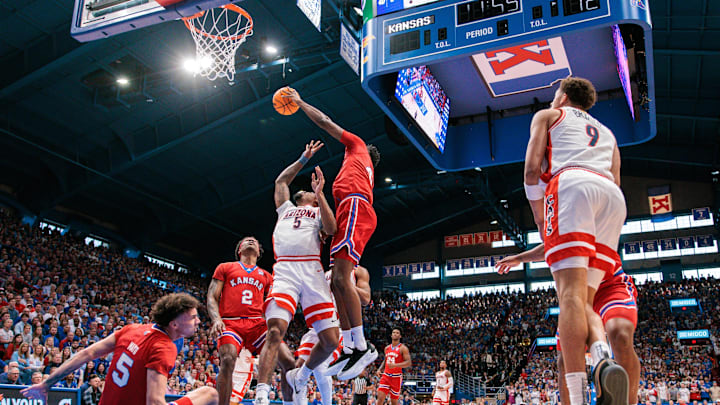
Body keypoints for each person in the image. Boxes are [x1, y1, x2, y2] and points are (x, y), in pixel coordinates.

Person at [522, 77, 628, 405]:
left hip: (571, 185)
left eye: (556, 95)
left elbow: (530, 171)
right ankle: (602, 360)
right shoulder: (608, 134)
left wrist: (541, 218)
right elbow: (617, 180)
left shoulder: (549, 115)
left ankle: (579, 394)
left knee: (568, 294)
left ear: (564, 96)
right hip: (612, 199)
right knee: (584, 300)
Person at [284, 87, 380, 378]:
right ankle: (350, 346)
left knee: (341, 278)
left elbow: (325, 121)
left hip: (355, 208)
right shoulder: (352, 171)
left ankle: (362, 346)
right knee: (338, 283)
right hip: (347, 213)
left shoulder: (357, 147)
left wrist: (300, 102)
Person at [22, 293, 218, 405]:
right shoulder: (163, 347)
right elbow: (154, 403)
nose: (199, 321)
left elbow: (86, 353)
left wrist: (46, 384)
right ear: (174, 324)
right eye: (193, 317)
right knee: (211, 394)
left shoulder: (132, 329)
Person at [256, 141, 339, 405]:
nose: (301, 190)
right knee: (275, 330)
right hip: (286, 270)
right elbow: (281, 181)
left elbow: (333, 228)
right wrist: (303, 158)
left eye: (307, 191)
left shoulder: (317, 209)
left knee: (330, 340)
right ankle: (261, 394)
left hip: (311, 268)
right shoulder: (286, 209)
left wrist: (321, 193)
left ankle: (300, 376)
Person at [497, 253, 640, 405]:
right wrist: (521, 258)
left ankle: (628, 400)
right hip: (577, 293)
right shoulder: (552, 235)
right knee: (564, 360)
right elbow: (552, 242)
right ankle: (598, 366)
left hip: (609, 285)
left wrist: (521, 258)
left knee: (621, 335)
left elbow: (566, 240)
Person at [207, 236, 273, 405]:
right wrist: (216, 319)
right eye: (246, 240)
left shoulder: (266, 276)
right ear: (239, 250)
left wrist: (270, 322)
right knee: (228, 359)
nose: (251, 241)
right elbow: (212, 297)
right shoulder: (225, 267)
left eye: (255, 241)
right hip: (231, 322)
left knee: (285, 356)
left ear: (259, 252)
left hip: (256, 323)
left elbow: (272, 303)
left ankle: (263, 394)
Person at [376, 329, 412, 405]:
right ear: (391, 335)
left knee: (394, 402)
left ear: (400, 336)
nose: (395, 334)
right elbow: (385, 360)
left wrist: (396, 365)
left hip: (396, 377)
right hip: (386, 376)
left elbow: (408, 363)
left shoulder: (403, 348)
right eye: (394, 332)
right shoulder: (387, 348)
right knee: (380, 399)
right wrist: (379, 369)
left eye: (397, 333)